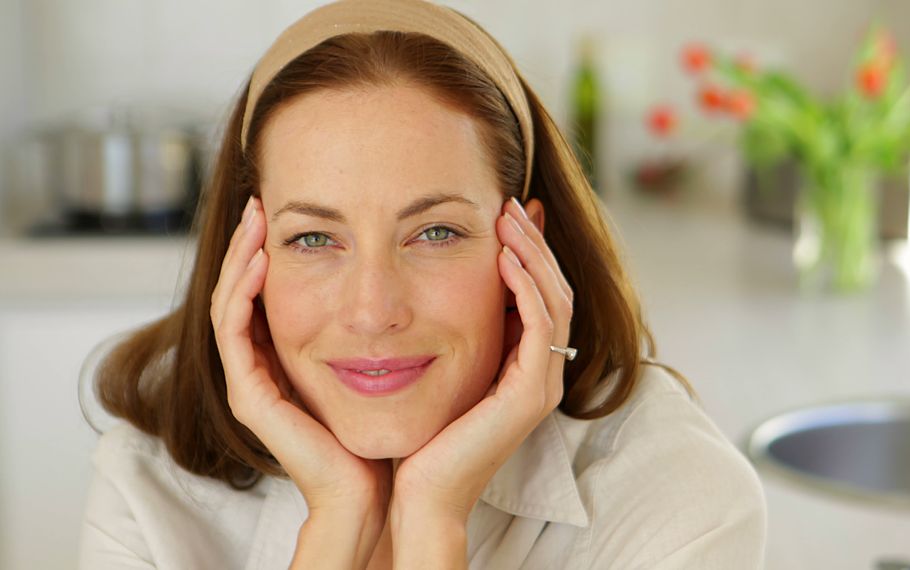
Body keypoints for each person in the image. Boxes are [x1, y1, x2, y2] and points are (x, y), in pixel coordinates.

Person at [77, 0, 767, 568]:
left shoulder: (676, 497)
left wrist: (433, 523)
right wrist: (337, 522)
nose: (373, 311)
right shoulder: (147, 487)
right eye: (314, 238)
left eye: (434, 233)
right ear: (246, 262)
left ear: (523, 252)